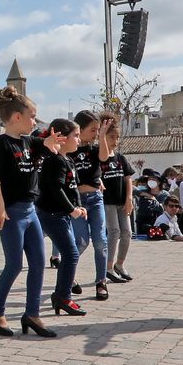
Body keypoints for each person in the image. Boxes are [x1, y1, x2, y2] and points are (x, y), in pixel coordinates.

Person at [0, 87, 57, 338]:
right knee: (14, 265)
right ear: (17, 117)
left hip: (31, 212)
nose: (35, 121)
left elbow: (46, 144)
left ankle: (32, 314)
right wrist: (0, 206)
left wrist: (51, 142)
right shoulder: (1, 143)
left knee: (38, 264)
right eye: (32, 116)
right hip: (12, 213)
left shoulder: (30, 142)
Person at [39, 119, 88, 315]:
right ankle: (63, 297)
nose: (79, 140)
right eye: (76, 136)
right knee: (71, 254)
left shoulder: (68, 160)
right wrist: (71, 210)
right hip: (52, 214)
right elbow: (55, 189)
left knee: (70, 253)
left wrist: (78, 206)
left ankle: (60, 295)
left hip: (62, 215)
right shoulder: (54, 161)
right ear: (61, 137)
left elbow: (73, 188)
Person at [68, 111, 114, 301]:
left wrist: (102, 136)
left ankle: (101, 282)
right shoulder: (69, 148)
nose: (95, 133)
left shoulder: (95, 148)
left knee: (101, 241)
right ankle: (67, 273)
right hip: (77, 201)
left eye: (98, 130)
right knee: (81, 241)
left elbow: (104, 158)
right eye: (93, 130)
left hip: (95, 199)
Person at [102, 124, 135, 282]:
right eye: (111, 137)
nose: (115, 141)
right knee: (114, 231)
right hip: (108, 201)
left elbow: (128, 179)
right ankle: (108, 267)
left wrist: (129, 198)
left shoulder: (120, 158)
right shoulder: (100, 159)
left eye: (117, 137)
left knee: (127, 232)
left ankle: (119, 264)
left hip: (122, 201)